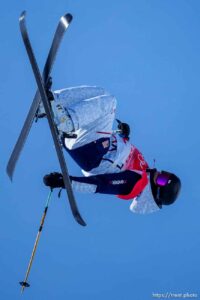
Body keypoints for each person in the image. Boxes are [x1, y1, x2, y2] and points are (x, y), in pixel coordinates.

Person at [41, 84, 181, 214]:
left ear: (156, 190)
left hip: (92, 154)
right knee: (102, 93)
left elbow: (99, 185)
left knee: (110, 103)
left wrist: (64, 181)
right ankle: (50, 104)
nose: (159, 172)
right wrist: (124, 134)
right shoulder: (142, 168)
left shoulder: (135, 183)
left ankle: (67, 122)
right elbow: (120, 154)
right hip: (89, 143)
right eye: (165, 173)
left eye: (162, 179)